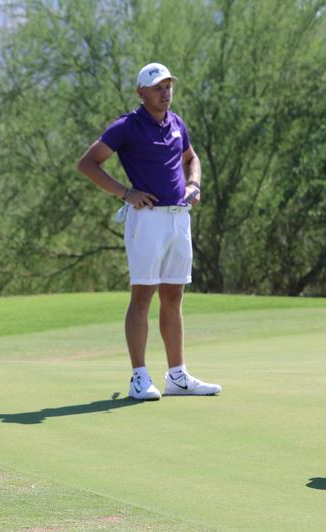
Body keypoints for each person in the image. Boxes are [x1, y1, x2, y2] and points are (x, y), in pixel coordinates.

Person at [77, 62, 221, 401]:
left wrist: (195, 184)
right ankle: (139, 377)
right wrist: (126, 193)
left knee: (173, 296)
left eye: (168, 86)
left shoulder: (177, 123)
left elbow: (192, 159)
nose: (165, 92)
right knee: (142, 296)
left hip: (178, 217)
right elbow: (87, 163)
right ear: (141, 93)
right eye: (158, 88)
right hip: (147, 219)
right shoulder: (127, 126)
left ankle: (177, 376)